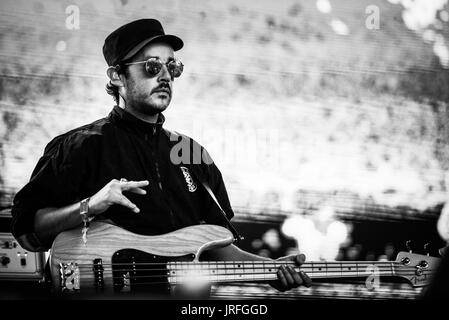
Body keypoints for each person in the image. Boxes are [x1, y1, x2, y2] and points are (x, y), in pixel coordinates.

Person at [10, 18, 311, 296]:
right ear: (117, 76)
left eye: (173, 67)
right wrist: (91, 206)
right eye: (152, 66)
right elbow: (27, 231)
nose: (166, 75)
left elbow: (215, 248)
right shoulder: (81, 146)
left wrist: (271, 269)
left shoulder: (193, 153)